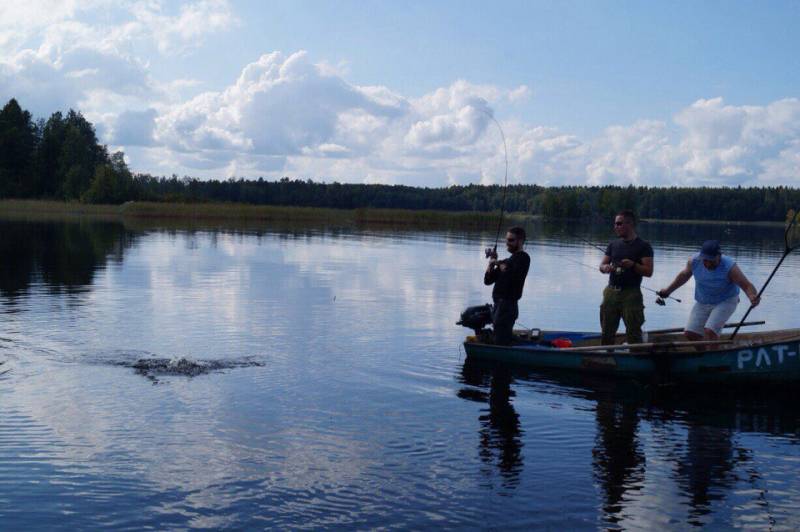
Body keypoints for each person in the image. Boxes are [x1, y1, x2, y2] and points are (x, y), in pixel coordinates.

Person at [657, 240, 759, 342]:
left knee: (710, 331)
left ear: (719, 256)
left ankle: (713, 355)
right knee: (690, 333)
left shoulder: (729, 267)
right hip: (703, 301)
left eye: (712, 261)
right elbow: (683, 276)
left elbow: (747, 285)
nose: (708, 264)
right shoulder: (694, 261)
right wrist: (668, 291)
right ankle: (705, 354)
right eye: (705, 260)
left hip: (726, 300)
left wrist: (752, 296)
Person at [598, 210, 654, 345]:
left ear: (630, 224)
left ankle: (636, 359)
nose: (615, 226)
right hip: (611, 292)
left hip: (631, 294)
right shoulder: (613, 245)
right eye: (615, 224)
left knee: (634, 332)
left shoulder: (644, 246)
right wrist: (605, 268)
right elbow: (602, 265)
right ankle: (606, 358)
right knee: (606, 331)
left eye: (619, 224)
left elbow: (648, 271)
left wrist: (633, 265)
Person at [484, 226, 531, 345]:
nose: (507, 243)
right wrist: (491, 263)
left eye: (511, 240)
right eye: (506, 240)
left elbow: (509, 271)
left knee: (500, 342)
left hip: (508, 307)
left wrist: (497, 263)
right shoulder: (506, 261)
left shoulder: (523, 258)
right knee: (501, 338)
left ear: (520, 241)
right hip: (498, 306)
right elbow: (487, 280)